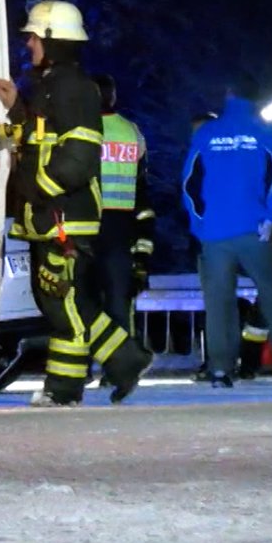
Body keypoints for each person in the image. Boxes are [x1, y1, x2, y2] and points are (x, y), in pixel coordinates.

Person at [0, 0, 152, 407]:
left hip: (62, 215)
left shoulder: (74, 89)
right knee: (66, 300)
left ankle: (64, 388)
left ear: (52, 40)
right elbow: (29, 140)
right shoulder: (49, 88)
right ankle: (125, 359)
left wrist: (38, 191)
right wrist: (14, 109)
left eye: (33, 36)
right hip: (49, 215)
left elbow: (78, 159)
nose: (28, 44)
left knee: (64, 303)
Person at [182, 77, 272, 388]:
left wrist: (199, 224)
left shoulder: (207, 132)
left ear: (228, 93)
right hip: (256, 229)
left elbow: (189, 183)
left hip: (215, 234)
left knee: (219, 303)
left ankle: (220, 370)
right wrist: (271, 218)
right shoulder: (265, 131)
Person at [86, 75, 155, 344]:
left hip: (88, 222)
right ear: (113, 97)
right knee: (119, 298)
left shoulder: (83, 131)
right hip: (123, 225)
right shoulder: (132, 131)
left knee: (86, 296)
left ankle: (85, 364)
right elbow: (141, 184)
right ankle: (121, 364)